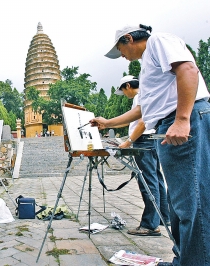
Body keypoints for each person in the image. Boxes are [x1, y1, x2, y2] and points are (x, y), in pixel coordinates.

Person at [96, 24, 210, 266]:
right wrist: (107, 123)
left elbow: (188, 69)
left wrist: (181, 119)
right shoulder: (147, 65)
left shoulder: (158, 41)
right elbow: (143, 111)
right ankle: (185, 258)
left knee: (192, 201)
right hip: (164, 126)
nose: (123, 56)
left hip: (180, 123)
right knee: (178, 202)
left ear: (129, 38)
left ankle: (197, 261)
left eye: (121, 50)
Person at [91, 75, 170, 237]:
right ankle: (162, 217)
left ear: (127, 86)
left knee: (148, 181)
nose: (124, 95)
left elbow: (142, 122)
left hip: (143, 140)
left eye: (123, 91)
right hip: (151, 140)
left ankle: (150, 224)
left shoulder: (140, 97)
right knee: (156, 178)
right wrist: (106, 123)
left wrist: (129, 141)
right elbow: (129, 121)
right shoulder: (143, 96)